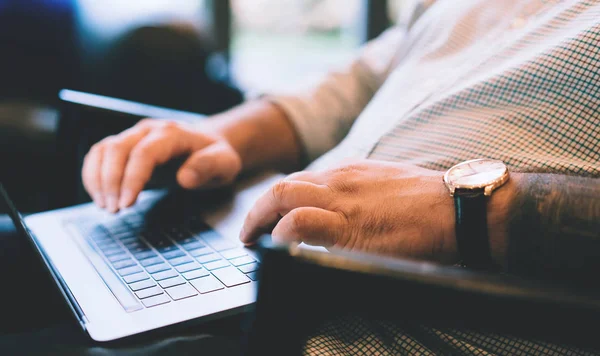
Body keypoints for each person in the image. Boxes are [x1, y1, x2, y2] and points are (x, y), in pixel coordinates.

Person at [1, 0, 598, 354]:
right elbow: (368, 74)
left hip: (367, 330)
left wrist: (468, 211)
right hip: (254, 259)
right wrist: (229, 133)